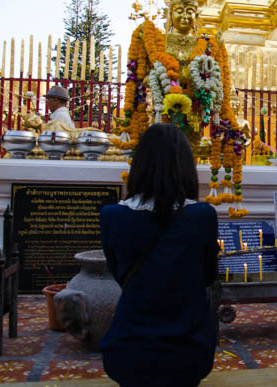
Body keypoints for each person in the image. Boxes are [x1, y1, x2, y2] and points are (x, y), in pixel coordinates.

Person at [100, 124, 218, 386]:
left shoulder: (112, 216)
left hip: (128, 350)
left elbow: (119, 273)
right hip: (189, 349)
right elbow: (208, 276)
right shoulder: (203, 217)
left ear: (139, 165)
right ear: (186, 167)